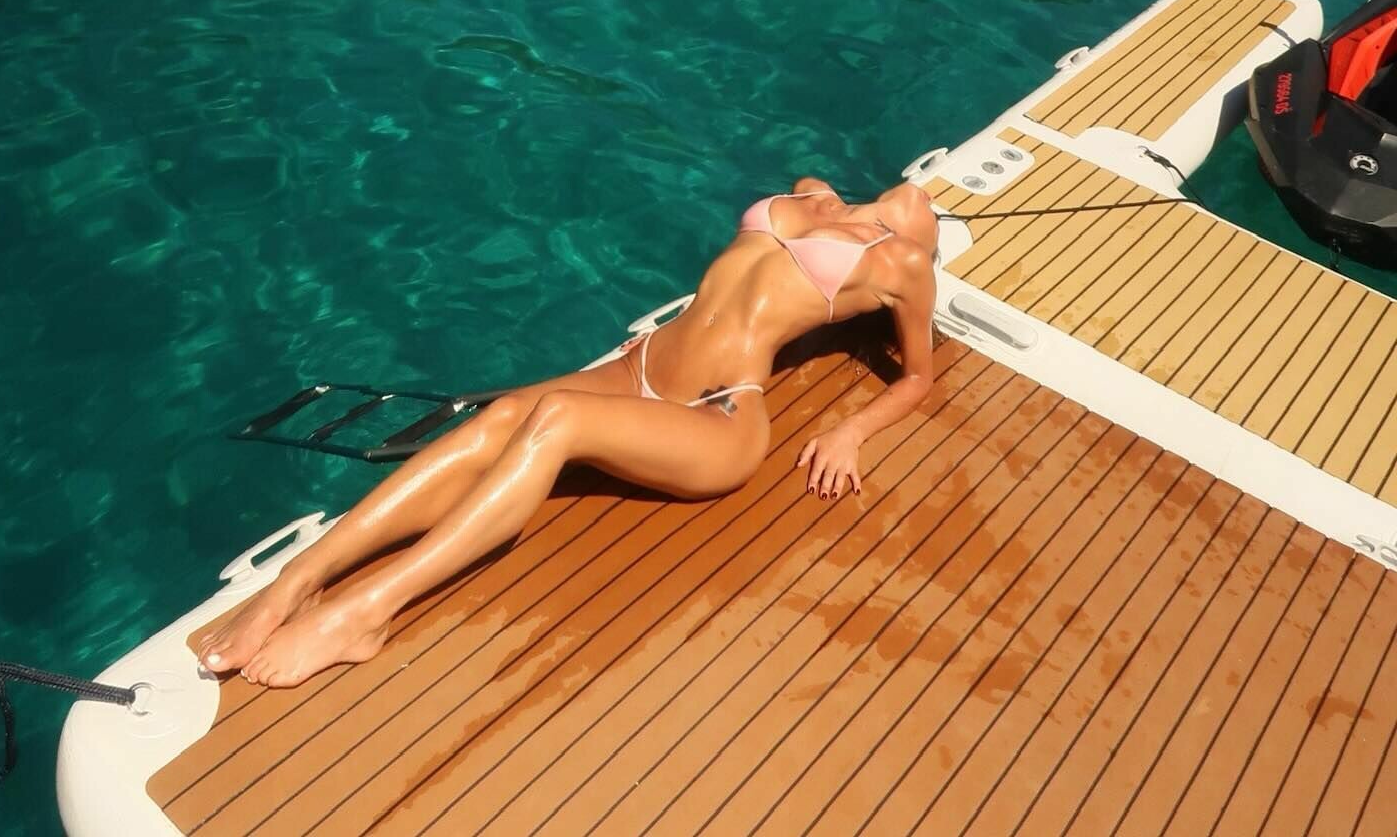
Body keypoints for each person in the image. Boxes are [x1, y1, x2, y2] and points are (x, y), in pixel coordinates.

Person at [196, 174, 939, 688]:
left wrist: (852, 430)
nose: (926, 202)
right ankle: (302, 578)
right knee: (502, 416)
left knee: (556, 416)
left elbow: (917, 377)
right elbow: (783, 232)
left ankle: (368, 610)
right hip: (637, 367)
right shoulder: (811, 194)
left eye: (930, 217)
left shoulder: (901, 263)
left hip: (717, 415)